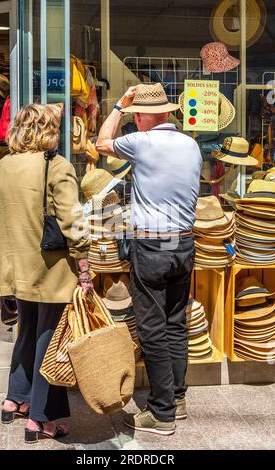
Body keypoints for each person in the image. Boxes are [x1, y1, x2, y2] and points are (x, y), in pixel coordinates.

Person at [95, 83, 202, 436]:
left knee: (153, 328)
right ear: (168, 113)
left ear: (142, 115)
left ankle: (161, 413)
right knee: (175, 323)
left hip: (153, 245)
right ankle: (177, 398)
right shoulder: (190, 144)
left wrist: (118, 107)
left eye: (135, 114)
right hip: (184, 245)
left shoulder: (141, 142)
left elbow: (100, 143)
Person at [0, 103, 92, 443]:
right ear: (47, 130)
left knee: (26, 331)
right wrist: (86, 265)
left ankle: (14, 398)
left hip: (15, 265)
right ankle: (41, 418)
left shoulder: (3, 165)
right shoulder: (56, 165)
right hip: (50, 268)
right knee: (51, 338)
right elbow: (73, 221)